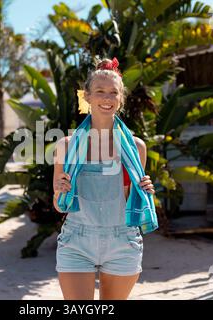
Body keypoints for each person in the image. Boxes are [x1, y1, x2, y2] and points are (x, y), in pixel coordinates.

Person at [52, 57, 156, 300]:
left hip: (122, 240)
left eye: (113, 93)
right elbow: (59, 206)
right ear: (86, 96)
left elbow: (131, 201)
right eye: (100, 91)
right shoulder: (66, 146)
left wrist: (144, 191)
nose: (107, 99)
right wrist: (60, 191)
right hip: (76, 241)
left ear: (121, 99)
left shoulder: (136, 148)